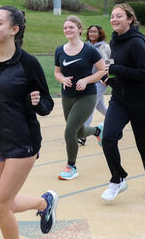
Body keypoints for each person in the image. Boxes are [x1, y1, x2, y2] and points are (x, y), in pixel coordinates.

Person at [0, 5, 58, 237]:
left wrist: (38, 103)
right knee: (4, 205)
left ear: (14, 29)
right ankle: (44, 204)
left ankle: (43, 205)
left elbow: (47, 104)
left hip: (23, 141)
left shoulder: (28, 63)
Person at [100, 4, 145, 202]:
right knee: (108, 138)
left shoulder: (136, 43)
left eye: (119, 16)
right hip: (119, 99)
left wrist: (116, 69)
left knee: (144, 144)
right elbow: (112, 63)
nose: (114, 19)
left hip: (141, 101)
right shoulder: (114, 39)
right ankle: (117, 178)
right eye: (112, 16)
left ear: (129, 19)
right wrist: (108, 75)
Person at [54, 16, 107, 180]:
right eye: (65, 28)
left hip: (86, 96)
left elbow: (102, 70)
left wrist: (86, 80)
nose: (67, 30)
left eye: (71, 27)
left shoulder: (89, 50)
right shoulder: (59, 50)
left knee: (69, 131)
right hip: (67, 96)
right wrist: (62, 79)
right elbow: (57, 72)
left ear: (79, 29)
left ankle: (71, 167)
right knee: (78, 132)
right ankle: (98, 130)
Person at [81, 25, 111, 145]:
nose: (92, 34)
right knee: (99, 106)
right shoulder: (84, 46)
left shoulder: (105, 47)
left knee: (90, 106)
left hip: (101, 81)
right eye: (90, 32)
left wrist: (109, 77)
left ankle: (82, 134)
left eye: (95, 32)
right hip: (88, 80)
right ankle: (115, 120)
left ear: (100, 34)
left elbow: (111, 61)